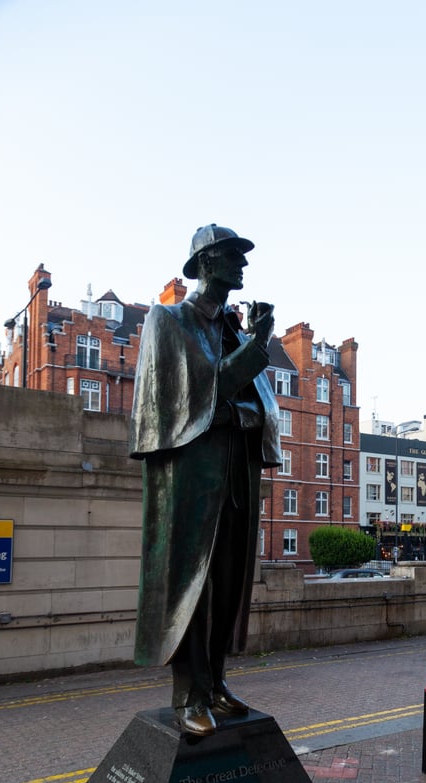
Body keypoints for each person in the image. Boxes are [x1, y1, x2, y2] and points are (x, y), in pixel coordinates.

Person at [129, 224, 282, 735]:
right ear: (206, 263)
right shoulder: (168, 320)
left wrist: (249, 354)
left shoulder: (234, 331)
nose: (242, 264)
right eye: (232, 255)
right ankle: (187, 694)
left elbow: (258, 405)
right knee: (192, 581)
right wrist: (256, 346)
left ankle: (215, 682)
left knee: (227, 583)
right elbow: (202, 391)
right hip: (195, 471)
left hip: (236, 468)